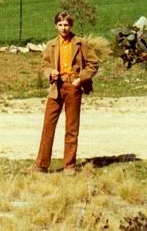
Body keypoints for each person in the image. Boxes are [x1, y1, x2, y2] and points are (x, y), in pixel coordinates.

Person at [28, 11, 99, 175]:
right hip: (56, 88)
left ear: (71, 25)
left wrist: (80, 79)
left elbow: (93, 63)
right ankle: (40, 165)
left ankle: (69, 166)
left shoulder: (81, 43)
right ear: (56, 26)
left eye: (66, 25)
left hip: (73, 87)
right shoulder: (51, 44)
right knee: (48, 126)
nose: (63, 28)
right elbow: (44, 65)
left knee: (71, 128)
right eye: (60, 25)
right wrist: (50, 72)